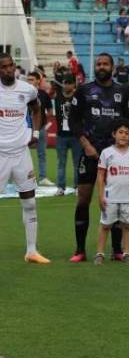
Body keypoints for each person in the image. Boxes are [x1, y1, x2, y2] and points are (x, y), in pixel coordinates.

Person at [68, 53, 129, 263]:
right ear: (94, 67)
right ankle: (80, 249)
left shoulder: (122, 91)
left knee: (115, 200)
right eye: (98, 64)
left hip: (115, 156)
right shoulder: (84, 90)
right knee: (83, 199)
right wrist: (86, 145)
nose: (101, 67)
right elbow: (73, 120)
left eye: (105, 64)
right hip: (90, 154)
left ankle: (117, 249)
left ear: (112, 67)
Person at [0, 53, 50, 264]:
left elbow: (37, 109)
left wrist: (36, 133)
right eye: (4, 67)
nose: (9, 70)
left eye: (11, 66)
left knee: (29, 201)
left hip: (21, 153)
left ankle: (31, 251)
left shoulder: (27, 89)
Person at [94, 121, 129, 265]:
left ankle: (126, 253)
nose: (124, 136)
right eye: (120, 132)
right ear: (114, 134)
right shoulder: (107, 153)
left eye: (127, 133)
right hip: (110, 197)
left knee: (127, 225)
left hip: (128, 196)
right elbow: (100, 176)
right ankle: (100, 253)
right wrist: (100, 195)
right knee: (105, 225)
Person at [54, 74, 82, 195]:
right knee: (61, 163)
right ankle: (61, 187)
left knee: (77, 163)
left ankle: (77, 187)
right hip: (61, 136)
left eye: (70, 83)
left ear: (74, 84)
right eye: (65, 82)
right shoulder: (58, 97)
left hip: (75, 136)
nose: (67, 85)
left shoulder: (78, 97)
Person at [26, 71, 55, 186]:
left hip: (40, 128)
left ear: (38, 81)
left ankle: (42, 177)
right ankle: (20, 178)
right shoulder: (23, 93)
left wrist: (42, 121)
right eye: (28, 79)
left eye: (31, 79)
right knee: (21, 154)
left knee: (41, 154)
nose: (29, 82)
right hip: (26, 129)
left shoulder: (43, 94)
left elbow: (50, 111)